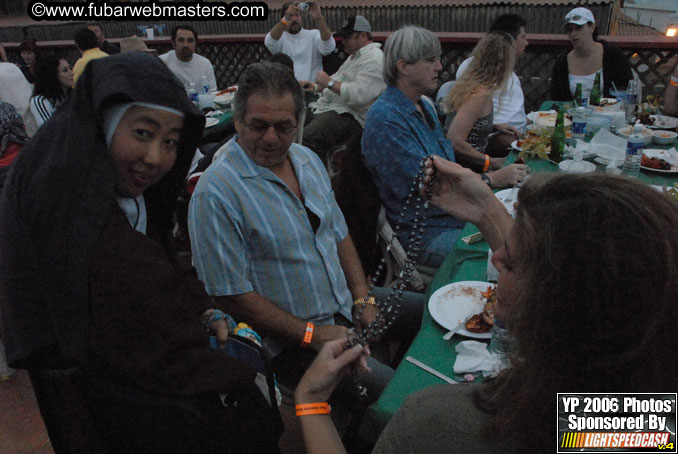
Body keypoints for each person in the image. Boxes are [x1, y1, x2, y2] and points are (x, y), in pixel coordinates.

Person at [0, 53, 281, 453]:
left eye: (171, 142)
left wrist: (204, 308)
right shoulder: (71, 209)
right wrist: (245, 371)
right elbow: (152, 338)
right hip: (103, 394)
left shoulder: (114, 183)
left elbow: (159, 248)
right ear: (103, 122)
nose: (156, 158)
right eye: (143, 134)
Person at [295, 162, 678, 453]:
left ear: (553, 310)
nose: (496, 260)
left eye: (510, 265)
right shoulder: (648, 419)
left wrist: (311, 402)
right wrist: (487, 207)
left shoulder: (441, 423)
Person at [188, 62, 423, 416]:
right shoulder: (216, 192)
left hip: (343, 304)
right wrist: (313, 334)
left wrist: (361, 299)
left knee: (429, 312)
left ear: (299, 122)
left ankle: (368, 414)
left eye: (283, 126)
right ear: (237, 122)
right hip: (294, 342)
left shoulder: (306, 159)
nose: (271, 138)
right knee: (404, 400)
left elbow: (337, 231)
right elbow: (231, 295)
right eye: (258, 125)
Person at [362, 25, 526, 268]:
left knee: (525, 239)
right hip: (425, 232)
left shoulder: (424, 106)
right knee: (500, 261)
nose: (439, 67)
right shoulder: (386, 118)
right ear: (403, 66)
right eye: (431, 60)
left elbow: (447, 162)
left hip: (458, 215)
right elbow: (432, 187)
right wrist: (492, 179)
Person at [301, 15, 385, 164]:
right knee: (297, 122)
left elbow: (360, 95)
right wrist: (315, 87)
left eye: (347, 37)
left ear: (363, 36)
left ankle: (318, 179)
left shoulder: (373, 58)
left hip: (354, 116)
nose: (343, 41)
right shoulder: (354, 57)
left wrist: (329, 82)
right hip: (335, 108)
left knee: (309, 137)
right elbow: (337, 80)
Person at [444, 32, 524, 182]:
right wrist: (490, 162)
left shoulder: (478, 86)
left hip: (474, 163)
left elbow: (471, 126)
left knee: (510, 143)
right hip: (466, 170)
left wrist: (495, 126)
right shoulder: (478, 94)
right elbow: (454, 140)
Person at [455, 14, 528, 156]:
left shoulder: (504, 75)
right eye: (523, 37)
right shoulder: (478, 90)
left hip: (506, 134)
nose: (527, 43)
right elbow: (457, 137)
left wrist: (495, 126)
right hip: (490, 148)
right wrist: (490, 163)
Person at [550, 7, 632, 102]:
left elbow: (627, 87)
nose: (573, 33)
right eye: (569, 30)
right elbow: (557, 97)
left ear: (592, 27)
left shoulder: (612, 55)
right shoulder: (562, 62)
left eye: (578, 28)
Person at [265, 2, 335, 82]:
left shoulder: (313, 35)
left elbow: (329, 46)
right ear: (284, 18)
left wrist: (319, 18)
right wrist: (285, 20)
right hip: (289, 91)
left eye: (297, 15)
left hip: (313, 90)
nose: (294, 19)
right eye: (290, 16)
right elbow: (269, 42)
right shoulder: (280, 38)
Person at [160, 25, 217, 92]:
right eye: (181, 40)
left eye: (190, 41)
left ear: (195, 44)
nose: (185, 45)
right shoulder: (162, 62)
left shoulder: (205, 64)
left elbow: (212, 93)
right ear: (173, 43)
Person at [30, 55, 73, 127]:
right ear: (52, 75)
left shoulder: (75, 96)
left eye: (70, 68)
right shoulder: (41, 101)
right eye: (65, 70)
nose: (72, 73)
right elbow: (50, 130)